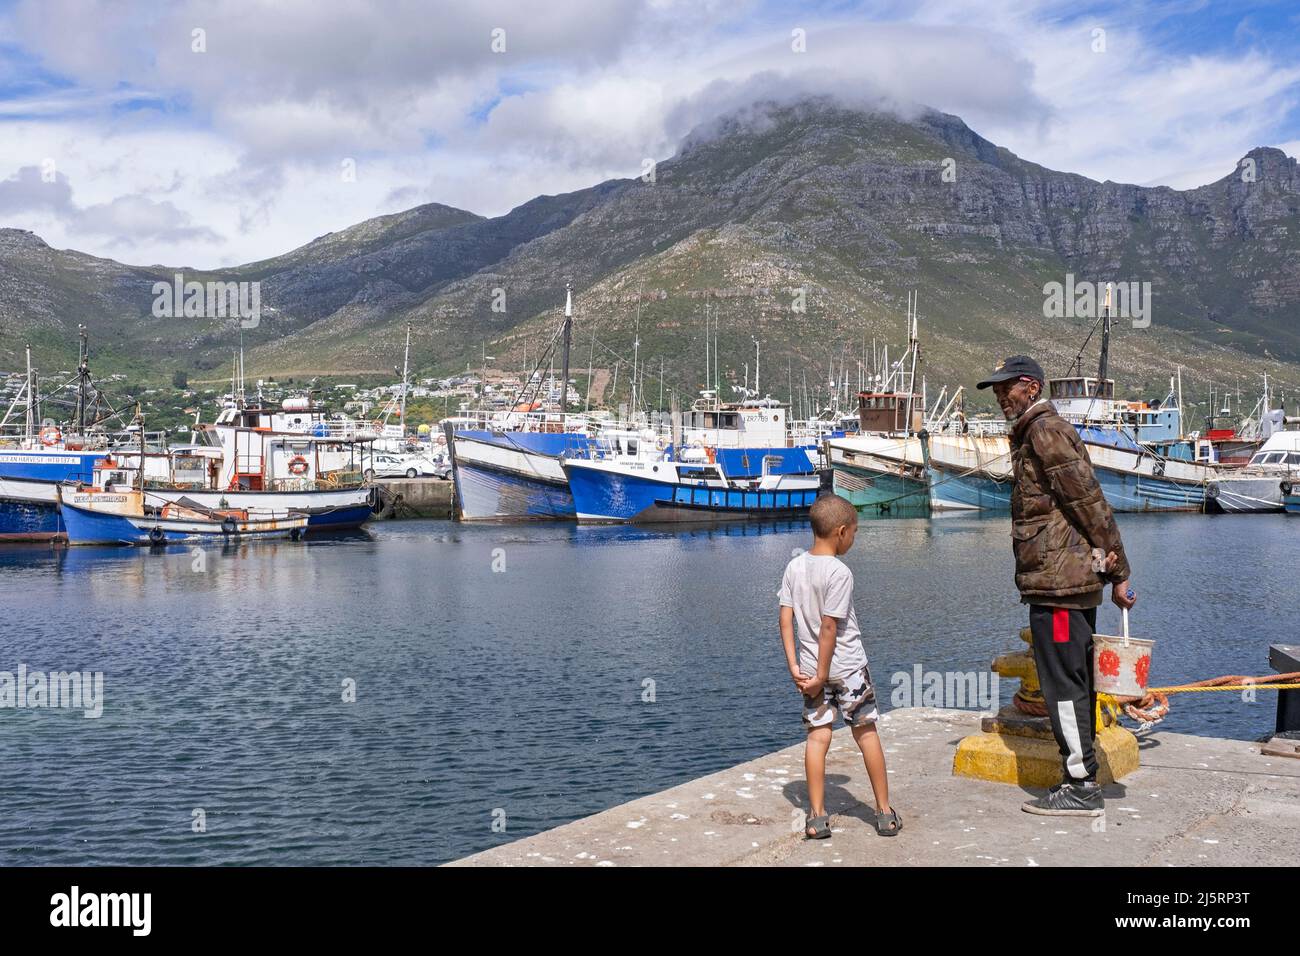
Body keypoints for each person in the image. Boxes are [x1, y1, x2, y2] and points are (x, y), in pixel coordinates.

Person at [977, 356, 1136, 817]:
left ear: (1031, 386)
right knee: (1073, 681)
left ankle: (1080, 785)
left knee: (1063, 686)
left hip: (1061, 588)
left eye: (1007, 388)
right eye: (996, 390)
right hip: (1058, 583)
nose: (1001, 397)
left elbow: (1089, 503)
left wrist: (1119, 572)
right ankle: (1081, 775)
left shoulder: (1045, 433)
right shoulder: (1033, 434)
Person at [778, 493, 900, 839]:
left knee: (817, 738)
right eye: (855, 533)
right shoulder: (840, 572)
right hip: (846, 670)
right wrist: (822, 673)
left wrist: (797, 668)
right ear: (842, 532)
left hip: (808, 671)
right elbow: (830, 626)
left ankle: (816, 816)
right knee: (866, 733)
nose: (854, 540)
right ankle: (884, 811)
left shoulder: (794, 566)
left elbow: (785, 620)